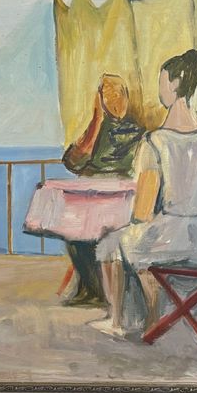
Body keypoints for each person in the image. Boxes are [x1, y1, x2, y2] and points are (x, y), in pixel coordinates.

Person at [91, 49, 197, 337]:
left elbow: (142, 212)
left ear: (174, 85)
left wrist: (133, 223)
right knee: (134, 245)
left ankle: (119, 321)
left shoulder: (155, 142)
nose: (160, 89)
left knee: (109, 244)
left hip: (166, 240)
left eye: (162, 82)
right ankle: (152, 316)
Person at [60, 74, 144, 304]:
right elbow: (71, 162)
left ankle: (101, 291)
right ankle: (92, 290)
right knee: (74, 231)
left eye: (118, 93)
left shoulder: (139, 133)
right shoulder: (96, 130)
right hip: (94, 200)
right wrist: (97, 120)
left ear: (126, 97)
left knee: (95, 230)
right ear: (100, 100)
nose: (114, 99)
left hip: (122, 202)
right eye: (107, 94)